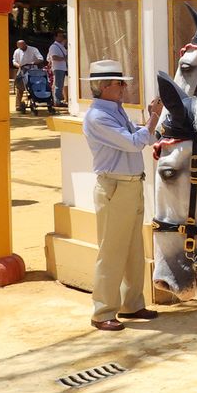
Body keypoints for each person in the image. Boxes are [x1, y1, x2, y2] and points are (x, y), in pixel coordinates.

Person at [82, 60, 163, 331]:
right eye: (119, 83)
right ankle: (103, 311)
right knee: (112, 250)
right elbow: (134, 143)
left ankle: (132, 303)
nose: (123, 87)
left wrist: (152, 125)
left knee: (133, 250)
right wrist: (152, 118)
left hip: (128, 185)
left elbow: (144, 138)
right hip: (115, 187)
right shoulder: (98, 117)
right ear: (105, 86)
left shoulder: (114, 111)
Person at [11, 38, 43, 111]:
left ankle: (36, 100)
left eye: (22, 46)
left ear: (25, 44)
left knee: (34, 86)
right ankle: (18, 105)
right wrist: (17, 65)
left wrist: (33, 62)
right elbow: (14, 61)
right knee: (19, 87)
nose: (21, 48)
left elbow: (41, 58)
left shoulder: (33, 49)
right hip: (22, 70)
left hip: (32, 70)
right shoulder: (17, 51)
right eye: (19, 47)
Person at [48, 31, 69, 106]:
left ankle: (58, 100)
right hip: (58, 68)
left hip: (62, 68)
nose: (61, 37)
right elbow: (54, 57)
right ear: (55, 37)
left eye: (62, 36)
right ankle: (57, 101)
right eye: (59, 36)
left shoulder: (60, 46)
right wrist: (65, 58)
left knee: (60, 85)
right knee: (58, 85)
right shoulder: (54, 46)